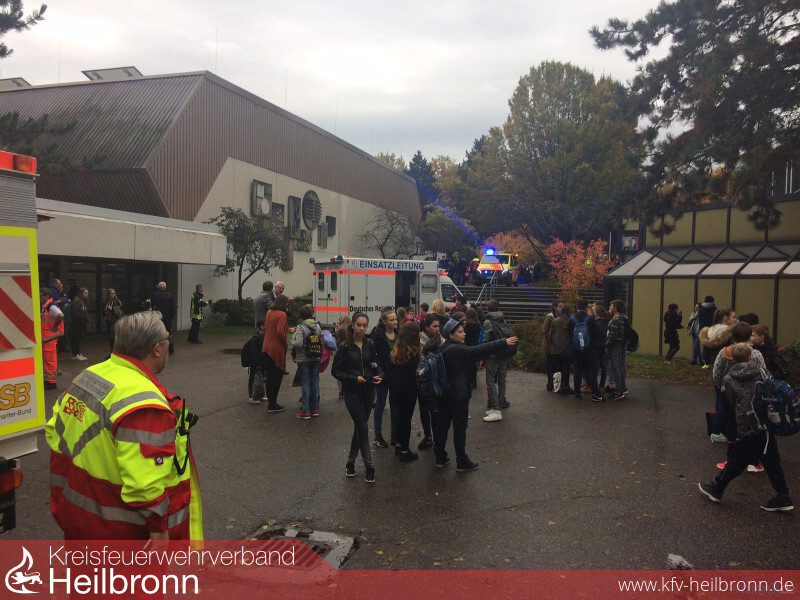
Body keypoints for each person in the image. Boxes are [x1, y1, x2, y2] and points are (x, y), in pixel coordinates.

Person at [44, 311, 204, 540]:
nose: (169, 343)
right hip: (125, 538)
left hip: (77, 521)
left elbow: (54, 431)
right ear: (156, 349)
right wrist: (159, 530)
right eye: (168, 339)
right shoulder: (145, 405)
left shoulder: (89, 375)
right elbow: (144, 486)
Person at [699, 343, 793, 512]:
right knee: (771, 460)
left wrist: (732, 427)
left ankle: (717, 488)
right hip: (765, 422)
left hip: (746, 425)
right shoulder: (761, 372)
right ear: (751, 356)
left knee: (737, 459)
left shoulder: (729, 379)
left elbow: (729, 404)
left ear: (733, 359)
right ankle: (783, 495)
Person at [433, 318, 518, 471]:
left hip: (444, 395)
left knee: (442, 427)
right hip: (458, 396)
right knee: (459, 429)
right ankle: (462, 461)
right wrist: (503, 342)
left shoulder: (444, 347)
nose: (464, 334)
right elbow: (479, 350)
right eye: (460, 332)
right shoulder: (457, 349)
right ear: (451, 335)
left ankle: (440, 457)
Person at [332, 313, 383, 483]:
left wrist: (380, 375)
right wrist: (354, 378)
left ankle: (350, 462)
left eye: (364, 325)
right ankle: (369, 466)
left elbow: (375, 364)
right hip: (352, 392)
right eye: (359, 325)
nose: (362, 328)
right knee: (362, 426)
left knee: (360, 427)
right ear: (352, 325)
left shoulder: (369, 344)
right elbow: (336, 371)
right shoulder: (344, 347)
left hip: (369, 390)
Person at [710, 321, 765, 445]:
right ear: (749, 336)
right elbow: (763, 372)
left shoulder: (724, 352)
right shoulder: (756, 354)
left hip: (728, 390)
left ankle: (731, 439)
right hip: (752, 392)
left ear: (732, 336)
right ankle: (750, 438)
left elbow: (716, 373)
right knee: (750, 415)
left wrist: (721, 386)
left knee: (729, 415)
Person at [388, 322, 422, 461]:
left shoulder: (397, 349)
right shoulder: (413, 352)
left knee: (400, 416)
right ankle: (404, 449)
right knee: (406, 419)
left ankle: (398, 445)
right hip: (409, 389)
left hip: (395, 388)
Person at [371, 310, 399, 448]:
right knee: (380, 405)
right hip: (383, 376)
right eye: (391, 320)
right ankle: (378, 435)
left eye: (396, 319)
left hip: (396, 375)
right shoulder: (378, 336)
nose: (395, 322)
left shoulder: (399, 334)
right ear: (384, 322)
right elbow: (373, 356)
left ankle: (394, 433)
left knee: (395, 405)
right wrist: (379, 372)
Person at [292, 304, 323, 419]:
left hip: (303, 358)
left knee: (305, 383)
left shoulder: (300, 327)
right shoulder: (317, 326)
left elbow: (299, 343)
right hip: (315, 357)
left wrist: (292, 341)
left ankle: (305, 411)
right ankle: (314, 409)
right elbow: (322, 341)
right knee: (314, 382)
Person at [483, 299, 512, 421]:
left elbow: (486, 339)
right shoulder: (502, 319)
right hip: (504, 352)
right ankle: (498, 406)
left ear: (487, 309)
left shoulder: (488, 322)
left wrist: (483, 354)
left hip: (493, 354)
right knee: (502, 380)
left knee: (490, 380)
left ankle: (495, 409)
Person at [417, 314, 442, 451]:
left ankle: (437, 438)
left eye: (438, 326)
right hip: (423, 380)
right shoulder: (419, 340)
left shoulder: (441, 339)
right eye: (434, 326)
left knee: (436, 411)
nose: (437, 329)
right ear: (426, 327)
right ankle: (428, 436)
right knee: (424, 410)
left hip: (436, 381)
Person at [569, 299, 603, 402]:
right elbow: (597, 333)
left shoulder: (572, 319)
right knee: (591, 371)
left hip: (576, 349)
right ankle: (595, 394)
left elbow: (569, 334)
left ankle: (577, 394)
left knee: (577, 370)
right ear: (586, 307)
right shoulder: (590, 319)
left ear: (576, 307)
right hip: (589, 350)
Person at [261, 294, 290, 413]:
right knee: (277, 377)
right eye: (287, 303)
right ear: (283, 304)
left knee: (269, 377)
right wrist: (285, 344)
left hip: (266, 347)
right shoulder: (282, 314)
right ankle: (273, 404)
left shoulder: (269, 312)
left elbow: (268, 328)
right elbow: (279, 331)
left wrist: (288, 329)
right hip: (276, 349)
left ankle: (271, 403)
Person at [40, 287, 64, 390]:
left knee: (50, 360)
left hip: (50, 337)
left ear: (46, 296)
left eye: (41, 296)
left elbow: (61, 315)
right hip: (48, 337)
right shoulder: (47, 306)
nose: (39, 298)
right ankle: (49, 380)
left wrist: (55, 326)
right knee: (48, 360)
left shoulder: (51, 306)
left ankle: (51, 382)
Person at [606, 299, 629, 400]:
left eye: (610, 307)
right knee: (619, 366)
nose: (609, 308)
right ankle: (622, 388)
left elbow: (613, 336)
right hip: (619, 345)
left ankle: (618, 392)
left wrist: (607, 345)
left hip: (614, 346)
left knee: (615, 367)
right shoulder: (622, 318)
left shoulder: (616, 320)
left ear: (615, 308)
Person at [146, 282, 176, 355]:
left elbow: (150, 305)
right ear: (165, 287)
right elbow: (173, 307)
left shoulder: (154, 295)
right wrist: (171, 316)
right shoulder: (170, 295)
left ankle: (158, 349)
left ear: (159, 287)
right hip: (167, 318)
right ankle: (170, 349)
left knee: (157, 333)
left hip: (158, 317)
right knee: (168, 333)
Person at [549, 304, 573, 395]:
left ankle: (552, 385)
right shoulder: (570, 321)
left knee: (555, 368)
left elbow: (550, 335)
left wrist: (552, 344)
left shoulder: (555, 321)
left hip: (556, 348)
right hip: (566, 349)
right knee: (565, 368)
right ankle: (565, 386)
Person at [245, 320, 267, 404]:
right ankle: (251, 396)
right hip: (255, 363)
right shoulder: (256, 338)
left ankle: (259, 395)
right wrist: (257, 363)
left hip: (262, 362)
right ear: (261, 326)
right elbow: (254, 352)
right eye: (266, 324)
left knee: (260, 379)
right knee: (253, 378)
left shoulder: (264, 336)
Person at [542, 302, 560, 392]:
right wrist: (553, 338)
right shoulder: (550, 317)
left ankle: (554, 384)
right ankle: (550, 383)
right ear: (555, 307)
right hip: (549, 346)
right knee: (550, 364)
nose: (561, 308)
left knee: (555, 365)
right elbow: (544, 330)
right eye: (559, 306)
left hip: (557, 346)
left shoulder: (560, 317)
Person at [592, 303, 610, 391]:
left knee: (595, 368)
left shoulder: (595, 323)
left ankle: (594, 386)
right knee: (604, 367)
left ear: (597, 313)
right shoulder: (607, 323)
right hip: (604, 348)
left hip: (595, 348)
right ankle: (602, 386)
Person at [334, 314, 352, 399]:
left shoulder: (339, 329)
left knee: (340, 371)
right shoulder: (351, 329)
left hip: (340, 351)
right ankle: (347, 388)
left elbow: (337, 341)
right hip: (349, 351)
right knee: (348, 370)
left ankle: (341, 390)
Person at [69, 288, 90, 362]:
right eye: (85, 293)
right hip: (76, 324)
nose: (87, 294)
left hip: (81, 324)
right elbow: (76, 314)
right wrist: (81, 319)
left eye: (87, 293)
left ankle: (78, 353)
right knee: (75, 339)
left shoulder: (83, 303)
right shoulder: (76, 302)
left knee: (78, 339)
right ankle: (75, 354)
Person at [464, 308, 482, 389]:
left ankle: (468, 382)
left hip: (467, 346)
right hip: (475, 346)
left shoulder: (466, 326)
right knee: (474, 365)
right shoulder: (478, 325)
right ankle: (474, 382)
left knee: (467, 365)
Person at [103, 288, 124, 354]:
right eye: (111, 293)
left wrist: (112, 309)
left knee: (113, 336)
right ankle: (112, 351)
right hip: (108, 320)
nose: (113, 295)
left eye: (114, 293)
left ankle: (115, 351)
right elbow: (103, 310)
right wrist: (104, 316)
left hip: (115, 320)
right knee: (110, 336)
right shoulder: (106, 301)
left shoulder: (117, 301)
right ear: (108, 294)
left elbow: (119, 312)